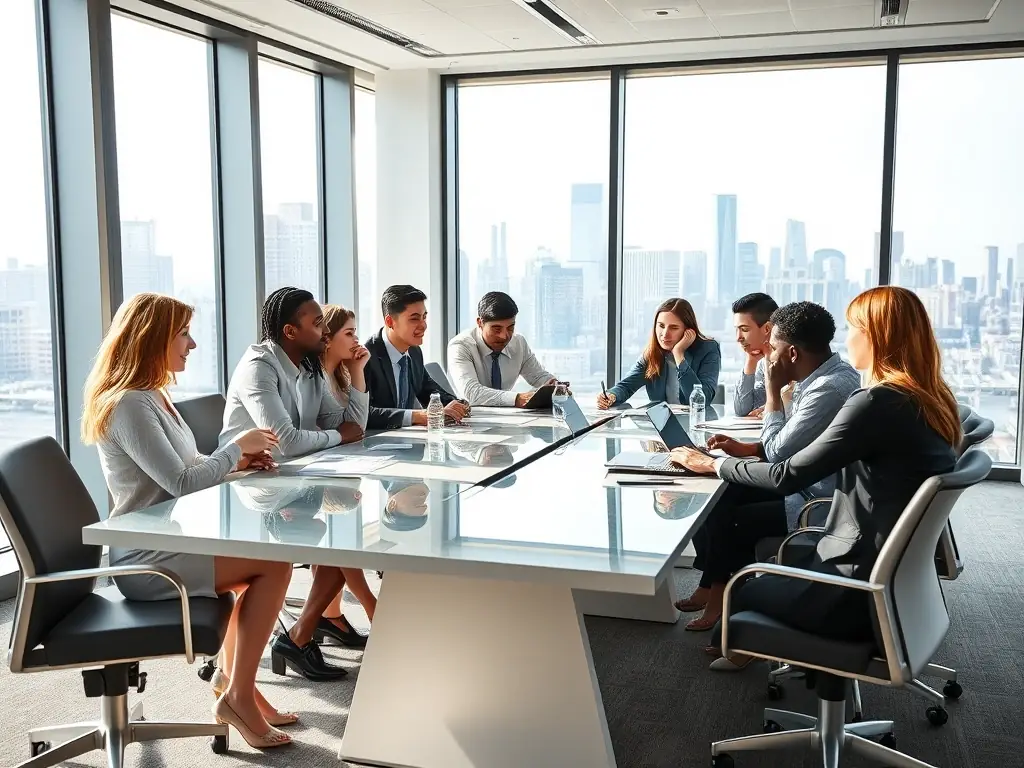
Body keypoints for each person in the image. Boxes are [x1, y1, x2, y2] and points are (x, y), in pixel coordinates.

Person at [670, 286, 960, 669]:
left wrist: (712, 465)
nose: (847, 337)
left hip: (851, 587)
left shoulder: (875, 403)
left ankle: (757, 645)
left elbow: (786, 475)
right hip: (891, 584)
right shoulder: (928, 400)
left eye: (855, 328)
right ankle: (752, 642)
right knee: (737, 533)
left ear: (877, 337)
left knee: (741, 593)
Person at [82, 293, 294, 749]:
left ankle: (238, 686)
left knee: (266, 561)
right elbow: (181, 482)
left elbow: (193, 463)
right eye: (182, 333)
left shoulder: (154, 396)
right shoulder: (129, 404)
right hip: (145, 557)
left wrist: (240, 464)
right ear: (152, 337)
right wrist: (237, 447)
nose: (192, 344)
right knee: (274, 565)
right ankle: (237, 694)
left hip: (169, 540)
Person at [674, 302, 862, 635]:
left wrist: (773, 393)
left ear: (791, 353)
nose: (768, 355)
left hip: (815, 503)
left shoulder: (828, 390)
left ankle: (728, 606)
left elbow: (778, 453)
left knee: (734, 520)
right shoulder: (823, 377)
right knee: (721, 496)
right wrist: (749, 449)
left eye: (772, 348)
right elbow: (799, 443)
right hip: (804, 482)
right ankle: (714, 589)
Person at [220, 287, 367, 681]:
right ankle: (302, 635)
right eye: (317, 323)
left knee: (351, 532)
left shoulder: (309, 365)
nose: (324, 329)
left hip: (295, 477)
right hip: (249, 488)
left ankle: (301, 634)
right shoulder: (260, 367)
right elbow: (285, 439)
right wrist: (340, 436)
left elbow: (344, 423)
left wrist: (357, 375)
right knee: (345, 541)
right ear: (289, 330)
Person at [365, 284, 470, 430]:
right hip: (374, 445)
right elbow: (365, 414)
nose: (424, 325)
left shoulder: (414, 352)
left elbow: (429, 390)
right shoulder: (367, 357)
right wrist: (419, 416)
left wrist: (458, 405)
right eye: (414, 319)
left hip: (408, 443)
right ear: (390, 322)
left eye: (424, 317)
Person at [598, 298, 720, 409]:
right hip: (661, 425)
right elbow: (626, 386)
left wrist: (679, 354)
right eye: (661, 326)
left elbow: (703, 399)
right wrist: (611, 395)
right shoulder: (653, 353)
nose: (665, 334)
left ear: (688, 330)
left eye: (673, 328)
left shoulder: (708, 349)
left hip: (695, 423)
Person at [447, 291, 560, 406]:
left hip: (505, 416)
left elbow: (538, 376)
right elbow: (471, 393)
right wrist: (517, 399)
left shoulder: (518, 343)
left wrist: (556, 386)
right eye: (497, 329)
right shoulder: (460, 346)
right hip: (468, 417)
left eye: (510, 328)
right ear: (480, 323)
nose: (504, 336)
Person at [731, 293, 778, 417]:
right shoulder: (763, 363)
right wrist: (750, 362)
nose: (738, 338)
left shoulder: (794, 357)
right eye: (737, 329)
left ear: (767, 328)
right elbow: (742, 410)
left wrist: (778, 406)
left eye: (744, 329)